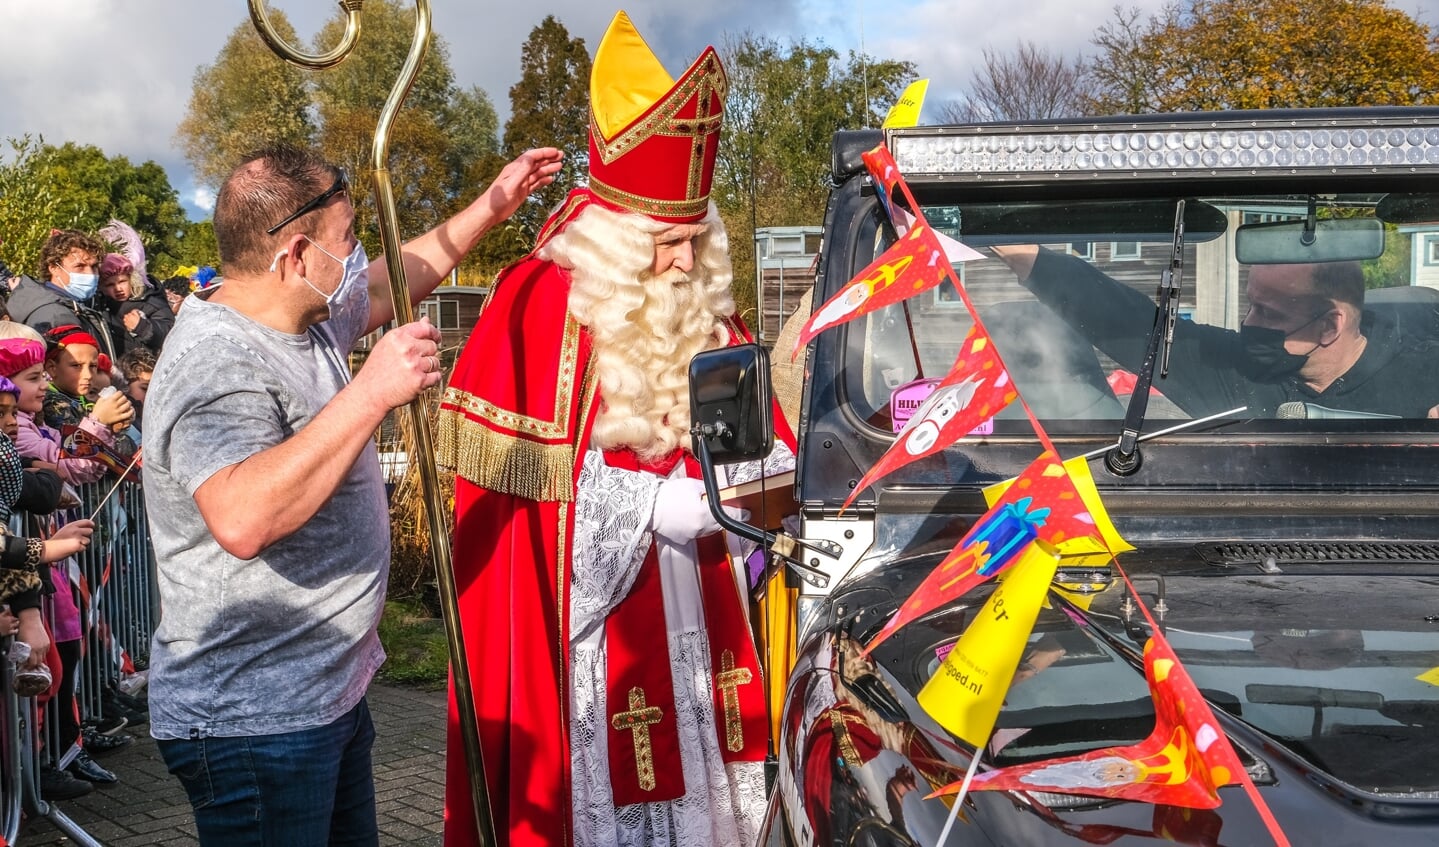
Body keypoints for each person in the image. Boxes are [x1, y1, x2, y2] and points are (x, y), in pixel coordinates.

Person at [140, 141, 560, 846]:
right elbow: (242, 516)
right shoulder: (215, 360)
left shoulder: (300, 315)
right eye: (346, 239)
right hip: (256, 724)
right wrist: (372, 392)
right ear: (297, 255)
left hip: (322, 698)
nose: (357, 254)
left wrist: (493, 205)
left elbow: (396, 280)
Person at [438, 13, 790, 846]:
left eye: (695, 239)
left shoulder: (708, 303)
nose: (683, 261)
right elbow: (529, 519)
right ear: (617, 237)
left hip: (709, 606)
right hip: (601, 625)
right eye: (667, 242)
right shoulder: (535, 302)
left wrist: (757, 485)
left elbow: (763, 444)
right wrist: (651, 510)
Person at [993, 244, 1439, 418]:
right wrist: (1022, 253)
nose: (1248, 323)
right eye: (1250, 305)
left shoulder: (1427, 378)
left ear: (1329, 326)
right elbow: (1125, 319)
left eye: (1267, 312)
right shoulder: (1234, 370)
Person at [7, 230, 114, 355]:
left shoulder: (64, 304)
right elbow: (73, 369)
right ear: (54, 268)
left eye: (94, 266)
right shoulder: (56, 315)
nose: (90, 274)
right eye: (79, 266)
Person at [97, 253, 174, 355]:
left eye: (122, 281)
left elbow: (171, 333)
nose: (118, 289)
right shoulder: (102, 306)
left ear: (132, 280)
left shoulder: (150, 301)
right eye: (110, 284)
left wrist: (142, 327)